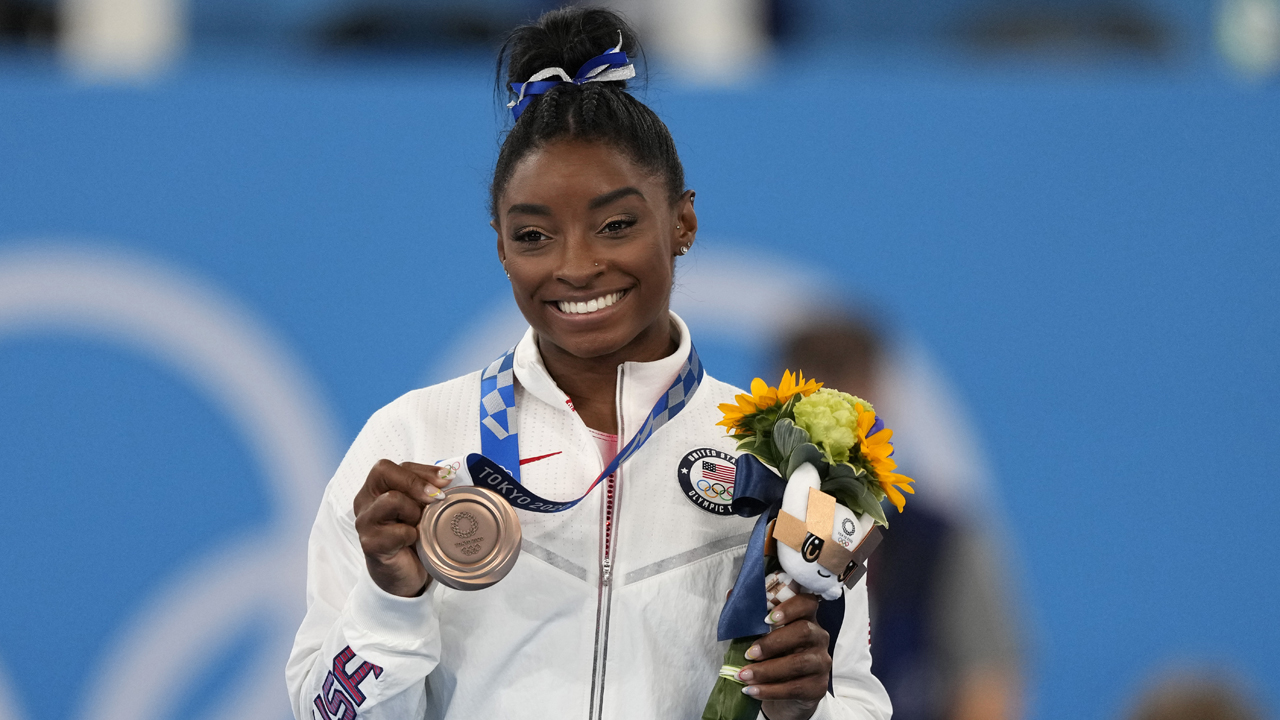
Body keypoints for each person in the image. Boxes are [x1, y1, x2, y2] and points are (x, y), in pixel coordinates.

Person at [286, 7, 891, 720]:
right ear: (502, 245)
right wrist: (391, 601)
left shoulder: (785, 462)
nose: (576, 267)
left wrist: (806, 710)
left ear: (683, 223)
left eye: (616, 226)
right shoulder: (411, 442)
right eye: (535, 234)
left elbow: (852, 699)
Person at [781, 315, 1023, 720]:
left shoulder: (940, 543)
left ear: (880, 400)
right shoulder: (743, 524)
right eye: (815, 406)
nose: (829, 432)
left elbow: (988, 689)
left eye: (849, 404)